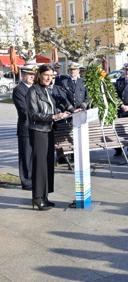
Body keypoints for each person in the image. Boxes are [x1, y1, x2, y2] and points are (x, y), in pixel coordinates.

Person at [26, 64, 70, 210]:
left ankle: (45, 196)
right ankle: (37, 198)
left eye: (51, 76)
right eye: (46, 75)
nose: (49, 78)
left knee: (48, 164)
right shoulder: (33, 91)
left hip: (49, 129)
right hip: (38, 131)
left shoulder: (46, 90)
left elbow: (52, 107)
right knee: (39, 165)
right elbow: (33, 114)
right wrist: (53, 116)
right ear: (39, 75)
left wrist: (61, 113)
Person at [12, 65, 37, 191]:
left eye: (33, 75)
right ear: (23, 75)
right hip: (26, 127)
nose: (33, 77)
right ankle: (26, 182)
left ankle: (33, 178)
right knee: (26, 155)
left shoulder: (34, 88)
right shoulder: (19, 90)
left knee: (33, 155)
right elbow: (24, 110)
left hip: (37, 126)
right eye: (30, 75)